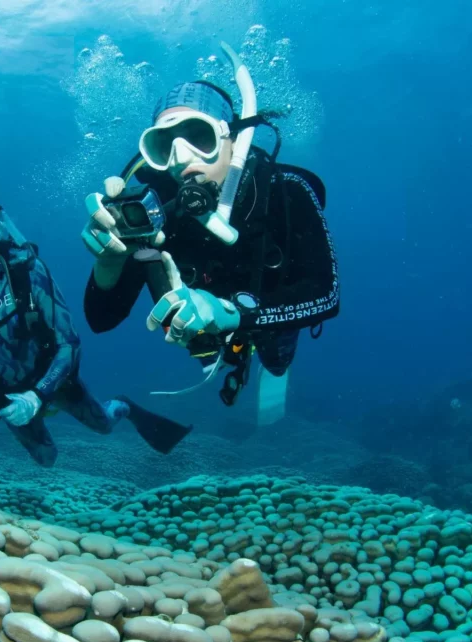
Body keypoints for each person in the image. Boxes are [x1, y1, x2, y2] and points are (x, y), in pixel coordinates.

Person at [80, 42, 340, 422]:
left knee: (277, 354)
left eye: (198, 137)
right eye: (164, 145)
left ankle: (272, 365)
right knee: (209, 351)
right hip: (201, 332)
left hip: (268, 314)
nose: (181, 157)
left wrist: (233, 313)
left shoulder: (288, 193)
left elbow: (326, 294)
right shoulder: (154, 213)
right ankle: (216, 355)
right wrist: (109, 264)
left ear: (233, 139)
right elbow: (100, 321)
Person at [0, 179, 192, 466]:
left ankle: (123, 406)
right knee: (46, 458)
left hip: (54, 379)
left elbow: (69, 342)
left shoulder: (27, 270)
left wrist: (38, 395)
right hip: (3, 393)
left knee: (104, 424)